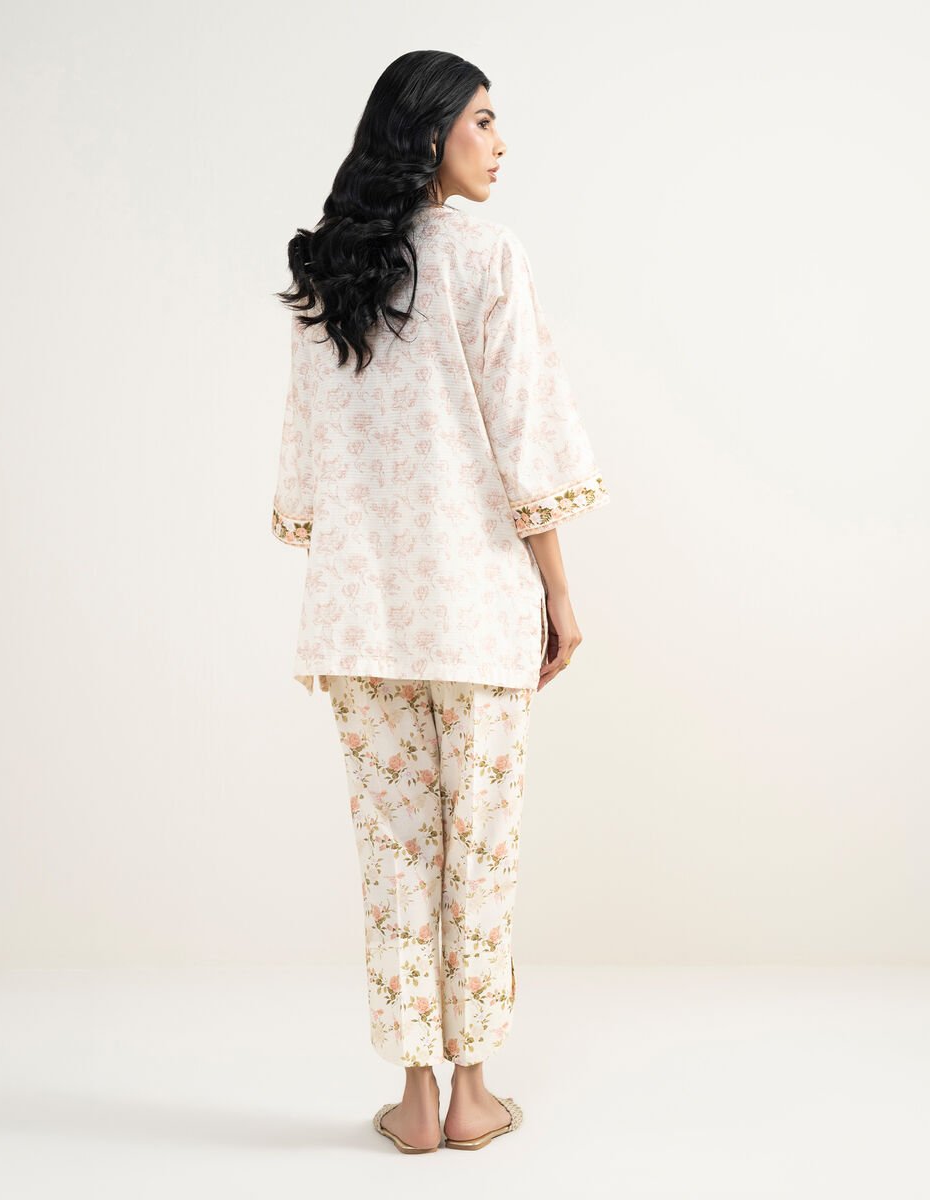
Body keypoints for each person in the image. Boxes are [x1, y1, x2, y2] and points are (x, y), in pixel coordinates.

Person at [271, 50, 610, 1153]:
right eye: (483, 122)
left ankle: (414, 1100)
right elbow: (527, 444)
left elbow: (309, 466)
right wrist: (560, 595)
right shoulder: (487, 257)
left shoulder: (329, 273)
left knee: (396, 860)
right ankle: (472, 1094)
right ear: (428, 135)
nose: (500, 145)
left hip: (360, 619)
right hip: (474, 613)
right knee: (481, 853)